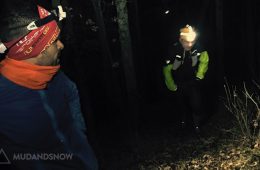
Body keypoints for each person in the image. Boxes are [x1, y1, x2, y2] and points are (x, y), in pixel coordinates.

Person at [0, 0, 98, 169]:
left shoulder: (53, 75)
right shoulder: (4, 98)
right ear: (35, 49)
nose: (61, 45)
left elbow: (71, 91)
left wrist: (78, 133)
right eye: (54, 41)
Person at [163, 24, 209, 134]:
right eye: (186, 42)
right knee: (180, 104)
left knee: (196, 103)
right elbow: (166, 69)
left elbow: (204, 60)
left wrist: (200, 75)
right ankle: (182, 122)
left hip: (192, 80)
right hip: (178, 81)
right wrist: (171, 84)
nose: (190, 44)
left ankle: (197, 125)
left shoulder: (198, 47)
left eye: (192, 41)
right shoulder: (173, 50)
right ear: (180, 39)